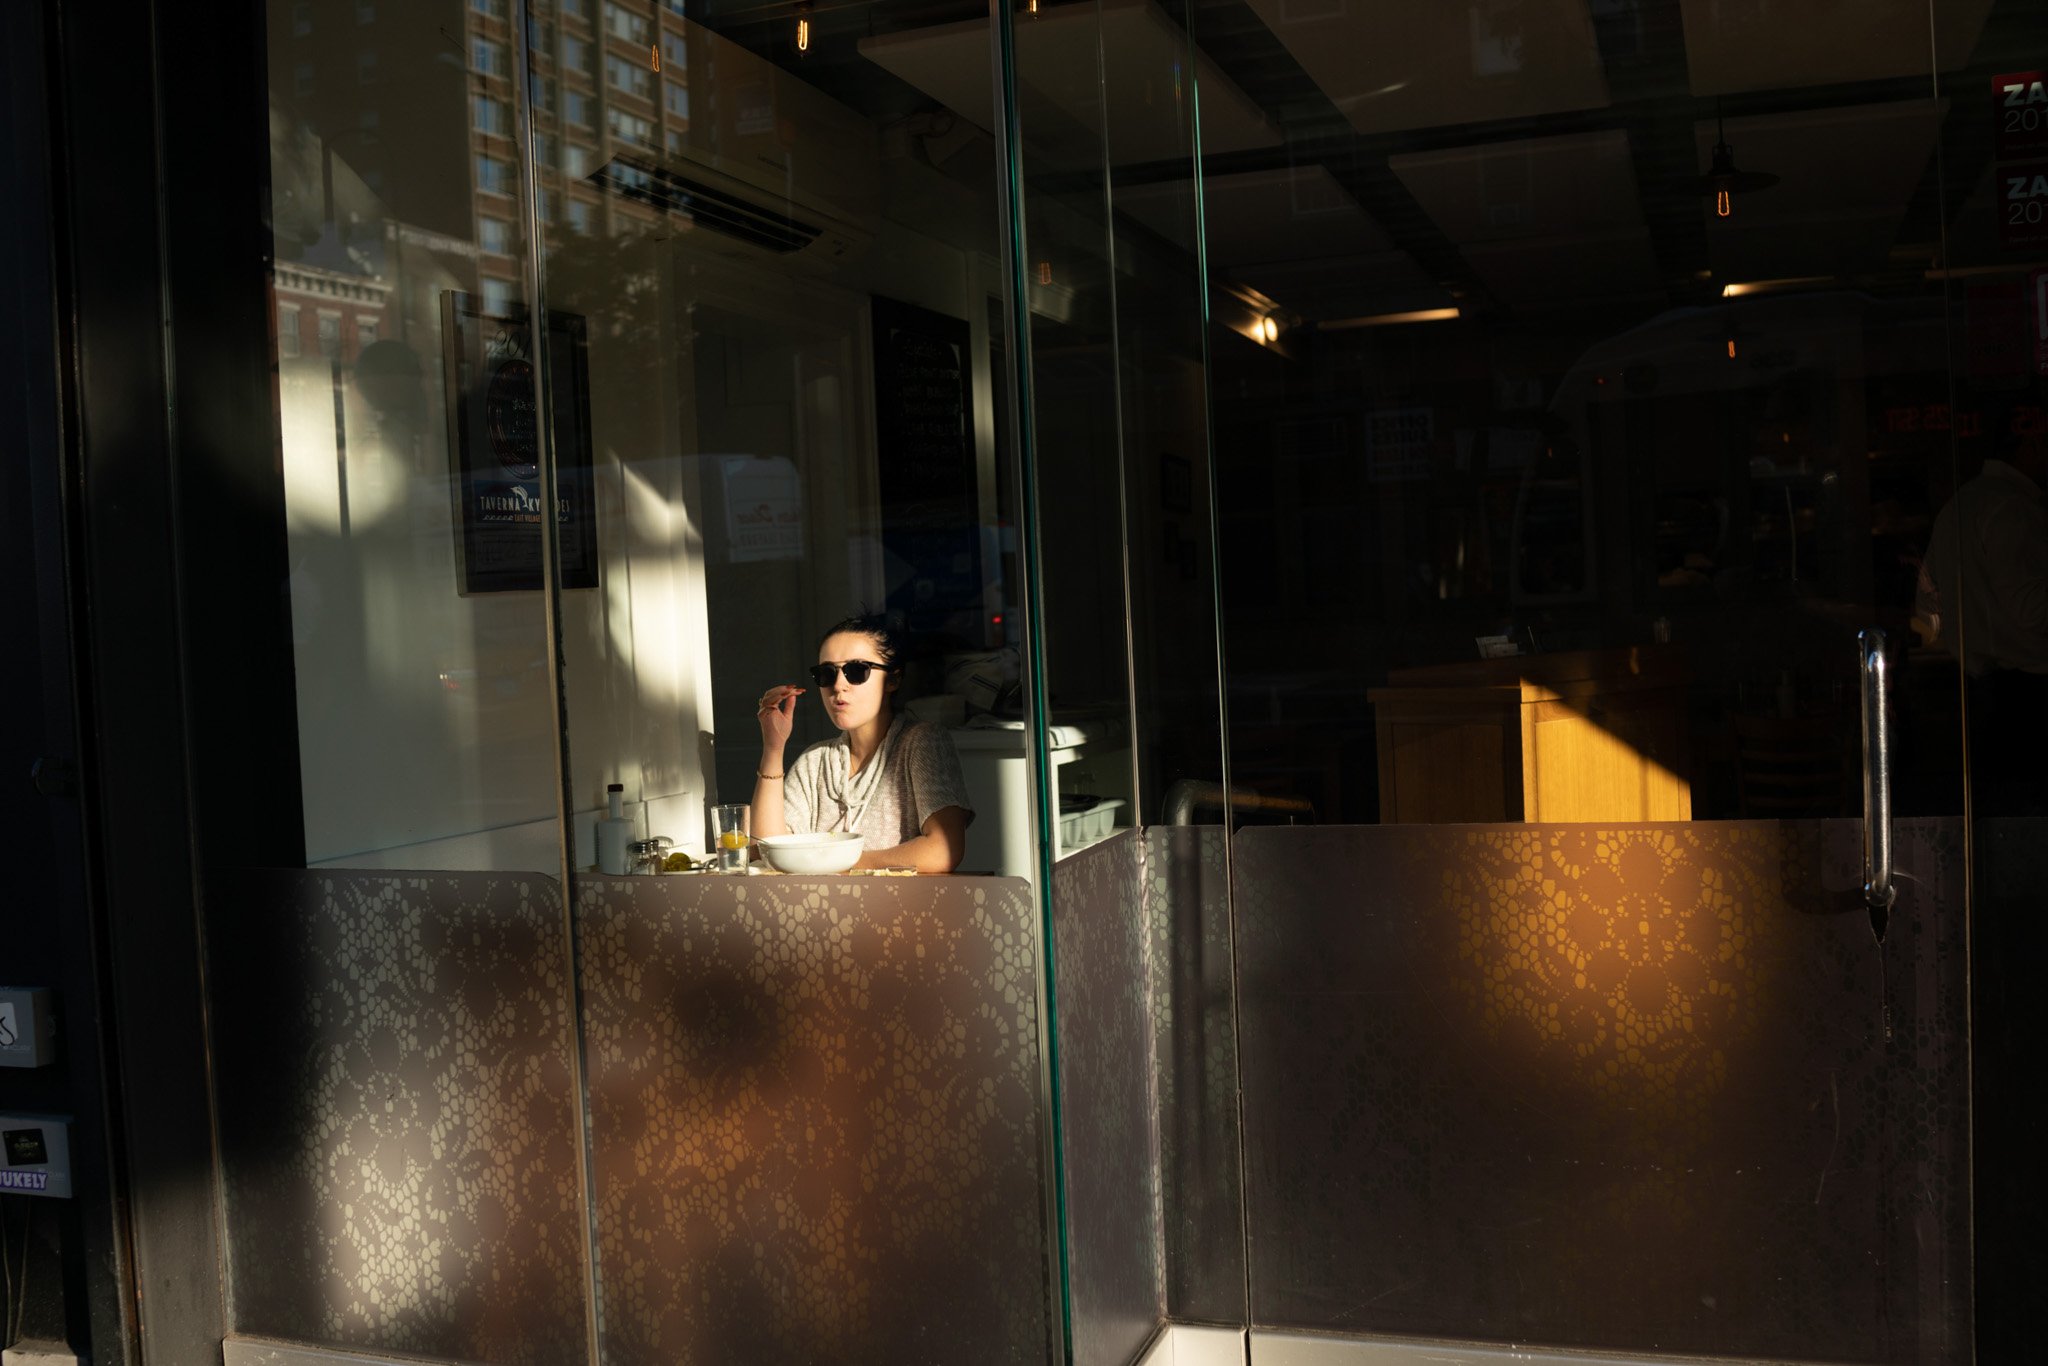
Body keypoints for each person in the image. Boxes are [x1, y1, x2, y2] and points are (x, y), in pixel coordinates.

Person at [750, 614, 975, 871]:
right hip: (818, 908)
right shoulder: (814, 761)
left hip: (896, 908)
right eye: (826, 673)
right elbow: (765, 850)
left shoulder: (921, 742)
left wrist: (837, 864)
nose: (838, 685)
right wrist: (773, 747)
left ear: (893, 679)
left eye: (857, 671)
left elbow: (943, 851)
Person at [1917, 389, 2048, 814]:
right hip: (2028, 701)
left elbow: (1929, 608)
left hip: (1981, 695)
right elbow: (2034, 612)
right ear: (2031, 444)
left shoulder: (1961, 505)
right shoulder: (2014, 510)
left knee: (2005, 830)